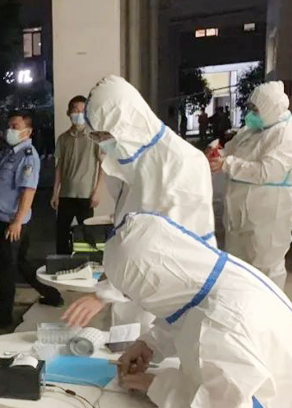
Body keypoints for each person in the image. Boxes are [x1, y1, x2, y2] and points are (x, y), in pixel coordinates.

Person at [106, 212, 292, 408]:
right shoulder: (228, 281)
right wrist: (149, 343)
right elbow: (191, 309)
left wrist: (156, 385)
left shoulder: (223, 324)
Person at [62, 75, 215, 330]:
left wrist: (106, 293)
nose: (102, 143)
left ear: (127, 122)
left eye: (104, 135)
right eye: (96, 136)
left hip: (167, 293)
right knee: (125, 342)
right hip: (130, 286)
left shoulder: (181, 162)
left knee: (153, 345)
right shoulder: (131, 161)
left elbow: (169, 250)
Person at [209, 81, 292, 290]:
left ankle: (268, 307)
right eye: (251, 109)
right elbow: (232, 148)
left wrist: (227, 164)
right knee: (238, 264)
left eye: (256, 110)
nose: (251, 114)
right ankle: (240, 302)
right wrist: (218, 153)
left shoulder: (289, 137)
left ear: (270, 108)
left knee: (266, 266)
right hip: (243, 212)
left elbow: (266, 171)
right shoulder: (254, 129)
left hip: (271, 213)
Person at [0, 111, 63, 329]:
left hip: (11, 222)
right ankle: (52, 294)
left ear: (28, 131)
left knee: (5, 270)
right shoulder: (10, 151)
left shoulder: (28, 156)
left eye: (15, 127)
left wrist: (17, 222)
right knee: (21, 264)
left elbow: (28, 191)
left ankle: (3, 316)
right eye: (9, 126)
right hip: (1, 217)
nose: (10, 130)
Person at [51, 95, 103, 254]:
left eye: (82, 111)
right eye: (75, 110)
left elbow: (103, 165)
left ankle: (88, 263)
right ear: (69, 113)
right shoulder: (63, 138)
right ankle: (62, 263)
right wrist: (55, 193)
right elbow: (59, 167)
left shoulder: (95, 136)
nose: (79, 114)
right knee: (61, 233)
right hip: (66, 194)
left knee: (87, 234)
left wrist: (98, 191)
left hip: (86, 195)